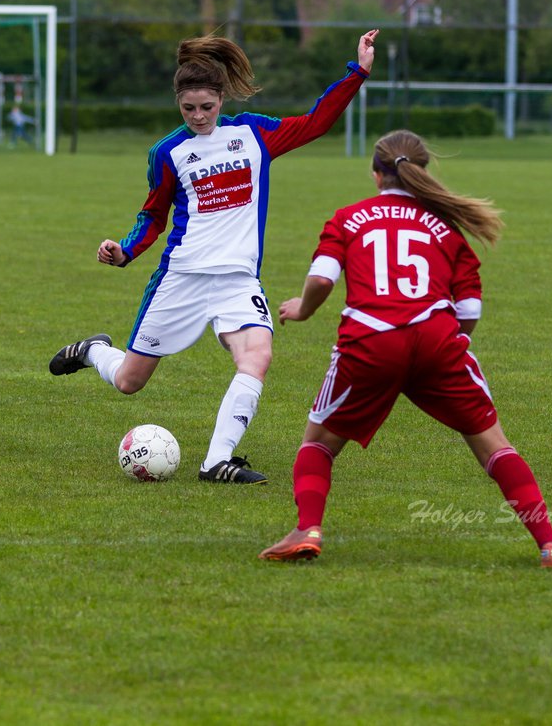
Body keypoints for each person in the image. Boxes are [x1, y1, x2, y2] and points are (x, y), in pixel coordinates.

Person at [49, 29, 380, 484]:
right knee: (129, 381)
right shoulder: (167, 152)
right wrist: (124, 251)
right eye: (189, 109)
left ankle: (216, 461)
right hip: (181, 278)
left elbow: (317, 122)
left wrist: (357, 71)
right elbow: (153, 215)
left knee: (257, 357)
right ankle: (94, 351)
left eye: (207, 107)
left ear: (221, 98)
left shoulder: (253, 134)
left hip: (237, 281)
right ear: (178, 104)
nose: (199, 116)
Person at [258, 130, 552, 568]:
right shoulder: (447, 227)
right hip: (437, 340)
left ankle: (308, 529)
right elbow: (469, 309)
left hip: (371, 341)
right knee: (493, 445)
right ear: (422, 174)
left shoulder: (349, 218)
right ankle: (551, 544)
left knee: (318, 444)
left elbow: (321, 280)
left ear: (376, 175)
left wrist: (304, 309)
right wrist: (445, 344)